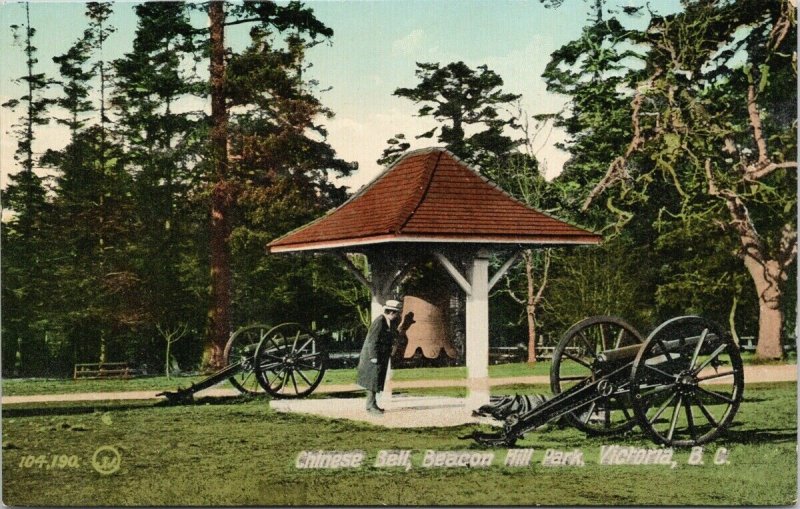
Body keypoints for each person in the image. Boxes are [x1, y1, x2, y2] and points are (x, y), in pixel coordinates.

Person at [356, 299, 403, 415]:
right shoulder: (379, 321)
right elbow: (372, 340)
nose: (397, 315)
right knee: (372, 381)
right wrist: (373, 356)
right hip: (373, 357)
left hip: (381, 356)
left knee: (377, 381)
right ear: (391, 312)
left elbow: (392, 335)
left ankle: (373, 404)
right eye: (396, 313)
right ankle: (370, 406)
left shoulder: (389, 322)